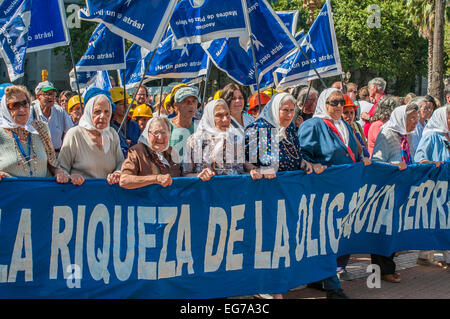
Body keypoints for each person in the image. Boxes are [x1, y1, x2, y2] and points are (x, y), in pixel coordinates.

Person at [298, 88, 371, 298]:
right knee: (325, 240)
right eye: (333, 102)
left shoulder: (346, 126)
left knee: (334, 240)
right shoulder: (313, 125)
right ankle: (333, 289)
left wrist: (361, 160)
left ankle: (318, 279)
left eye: (341, 102)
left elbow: (350, 154)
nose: (338, 106)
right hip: (321, 195)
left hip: (343, 195)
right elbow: (301, 154)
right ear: (324, 103)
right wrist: (311, 163)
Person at [371, 101, 419, 283]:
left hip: (401, 190)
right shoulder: (387, 134)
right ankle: (383, 270)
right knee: (383, 231)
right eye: (411, 118)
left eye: (416, 118)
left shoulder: (408, 136)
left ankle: (390, 266)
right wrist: (392, 166)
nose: (415, 122)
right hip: (385, 190)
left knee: (395, 232)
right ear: (401, 118)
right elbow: (376, 161)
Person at [0, 85, 68, 183]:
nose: (22, 109)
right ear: (5, 109)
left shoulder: (40, 128)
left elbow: (53, 164)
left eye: (25, 103)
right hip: (13, 195)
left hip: (41, 194)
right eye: (15, 105)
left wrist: (59, 173)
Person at [58, 89, 124, 186]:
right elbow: (61, 168)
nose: (103, 116)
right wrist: (70, 177)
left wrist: (117, 174)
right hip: (80, 196)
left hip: (108, 197)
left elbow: (121, 163)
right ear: (88, 112)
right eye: (97, 112)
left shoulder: (112, 134)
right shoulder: (74, 134)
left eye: (106, 112)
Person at [182, 99, 260, 180]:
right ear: (209, 117)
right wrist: (199, 176)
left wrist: (252, 171)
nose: (225, 119)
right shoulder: (194, 141)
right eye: (219, 115)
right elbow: (185, 174)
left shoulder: (235, 140)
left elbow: (242, 170)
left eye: (227, 114)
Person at [414, 104, 450, 268]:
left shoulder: (447, 135)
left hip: (447, 185)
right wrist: (433, 163)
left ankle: (424, 254)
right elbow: (419, 159)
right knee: (441, 220)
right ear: (443, 118)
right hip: (436, 186)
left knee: (440, 221)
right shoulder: (431, 136)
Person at [119, 116, 181, 189]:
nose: (160, 137)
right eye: (156, 133)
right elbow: (124, 180)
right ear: (147, 134)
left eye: (164, 133)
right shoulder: (136, 152)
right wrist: (155, 179)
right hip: (144, 199)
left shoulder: (172, 152)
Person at [32, 81, 74, 153]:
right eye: (47, 94)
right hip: (38, 156)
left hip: (57, 154)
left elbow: (71, 132)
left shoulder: (60, 111)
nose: (51, 97)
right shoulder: (32, 111)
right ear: (38, 97)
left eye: (53, 94)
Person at [109, 87, 141, 158]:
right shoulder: (109, 127)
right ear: (113, 107)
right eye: (122, 104)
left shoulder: (134, 124)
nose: (126, 106)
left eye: (127, 103)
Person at [169, 86, 199, 160]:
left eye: (194, 101)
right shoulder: (165, 126)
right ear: (176, 105)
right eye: (186, 102)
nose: (191, 105)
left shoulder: (199, 129)